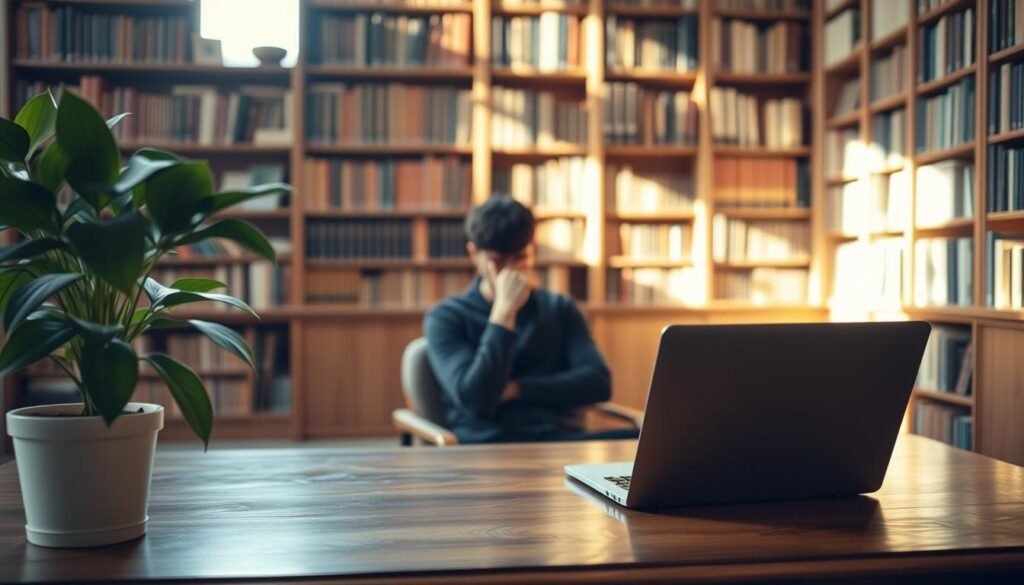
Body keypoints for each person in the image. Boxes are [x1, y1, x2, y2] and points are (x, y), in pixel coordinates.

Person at [424, 196, 636, 443]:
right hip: (490, 446)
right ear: (474, 254)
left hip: (559, 442)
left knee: (650, 443)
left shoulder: (559, 308)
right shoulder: (446, 317)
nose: (509, 272)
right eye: (497, 262)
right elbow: (477, 401)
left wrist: (518, 389)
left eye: (519, 259)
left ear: (532, 251)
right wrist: (503, 314)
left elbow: (598, 383)